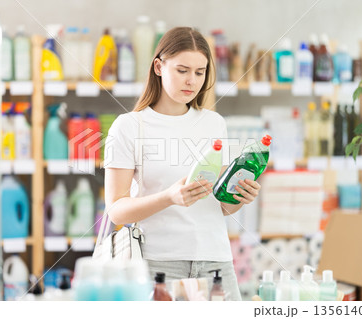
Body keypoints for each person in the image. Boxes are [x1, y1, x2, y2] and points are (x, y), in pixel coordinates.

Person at [103, 27, 261, 301]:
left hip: (215, 263)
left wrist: (239, 197)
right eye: (182, 70)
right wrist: (169, 197)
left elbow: (220, 206)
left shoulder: (214, 123)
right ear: (159, 67)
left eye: (200, 73)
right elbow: (116, 210)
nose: (192, 81)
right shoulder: (129, 126)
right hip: (159, 266)